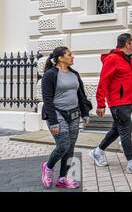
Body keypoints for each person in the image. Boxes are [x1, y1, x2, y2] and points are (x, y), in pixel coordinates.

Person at [89, 33, 132, 175]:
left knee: (116, 130)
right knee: (126, 132)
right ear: (127, 44)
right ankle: (131, 163)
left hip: (127, 101)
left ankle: (98, 152)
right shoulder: (112, 59)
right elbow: (103, 81)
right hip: (118, 103)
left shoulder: (129, 61)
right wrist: (100, 104)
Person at [40, 46, 92, 189]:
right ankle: (48, 167)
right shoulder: (50, 75)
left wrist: (85, 113)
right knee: (63, 145)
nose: (73, 57)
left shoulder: (74, 74)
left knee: (70, 148)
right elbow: (48, 100)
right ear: (61, 58)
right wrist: (53, 122)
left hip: (74, 114)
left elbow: (81, 95)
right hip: (57, 114)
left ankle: (63, 178)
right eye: (69, 55)